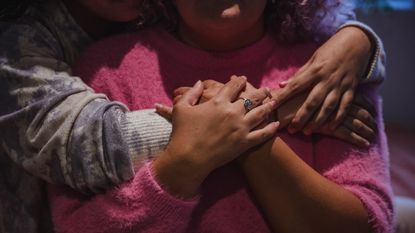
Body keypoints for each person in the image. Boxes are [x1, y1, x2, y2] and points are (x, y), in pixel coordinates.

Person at [0, 0, 385, 232]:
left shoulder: (331, 67)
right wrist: (256, 114)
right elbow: (86, 155)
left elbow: (367, 223)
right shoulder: (100, 66)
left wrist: (361, 39)